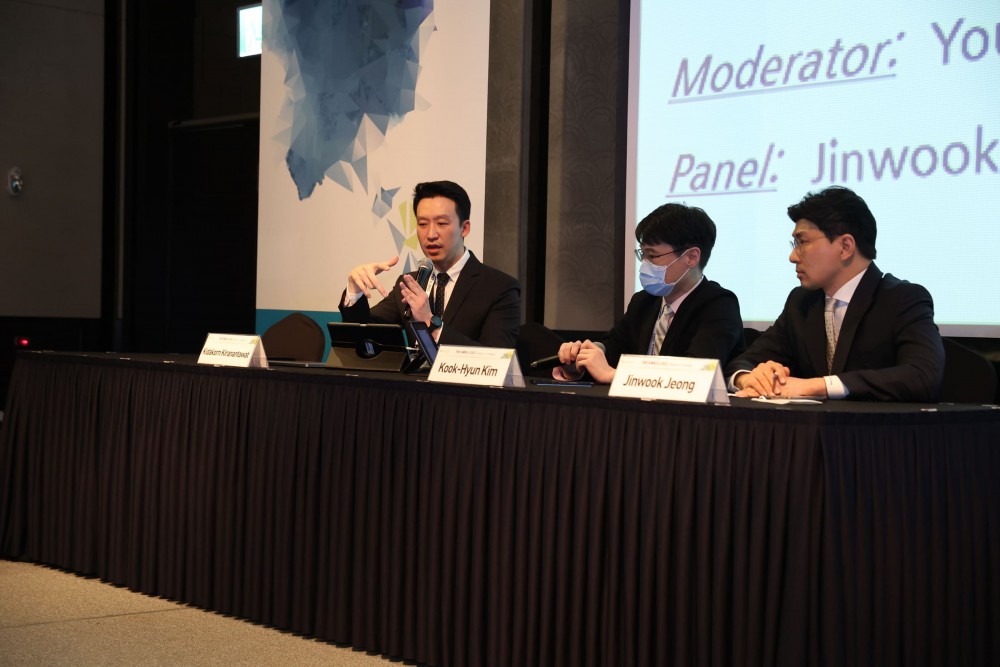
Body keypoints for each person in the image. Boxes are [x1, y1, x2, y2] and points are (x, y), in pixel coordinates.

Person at [725, 186, 944, 402]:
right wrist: (749, 379)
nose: (793, 256)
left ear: (845, 247)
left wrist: (815, 386)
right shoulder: (801, 303)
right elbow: (741, 364)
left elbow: (923, 376)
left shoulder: (903, 299)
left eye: (803, 242)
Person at [554, 202, 745, 383]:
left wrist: (615, 375)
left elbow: (696, 374)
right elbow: (612, 350)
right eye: (643, 254)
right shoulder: (643, 301)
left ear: (691, 257)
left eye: (652, 256)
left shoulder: (719, 304)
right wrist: (581, 359)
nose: (645, 264)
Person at [340, 180, 521, 348]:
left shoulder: (499, 288)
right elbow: (367, 337)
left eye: (441, 223)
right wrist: (354, 291)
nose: (431, 234)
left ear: (464, 228)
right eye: (423, 224)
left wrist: (430, 323)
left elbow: (497, 359)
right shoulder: (410, 283)